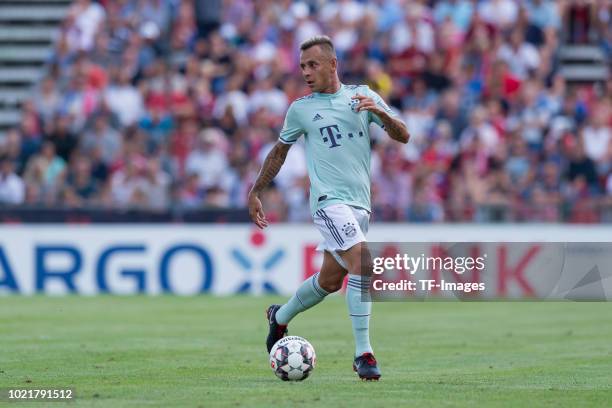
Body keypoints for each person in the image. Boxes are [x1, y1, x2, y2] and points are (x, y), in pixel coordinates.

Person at [247, 35, 410, 381]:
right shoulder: (301, 109)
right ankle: (363, 353)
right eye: (302, 66)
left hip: (361, 206)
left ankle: (279, 317)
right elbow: (279, 152)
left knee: (330, 280)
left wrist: (380, 112)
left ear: (333, 64)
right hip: (328, 202)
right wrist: (257, 189)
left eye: (313, 64)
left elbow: (404, 135)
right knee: (363, 263)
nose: (306, 72)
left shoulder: (361, 96)